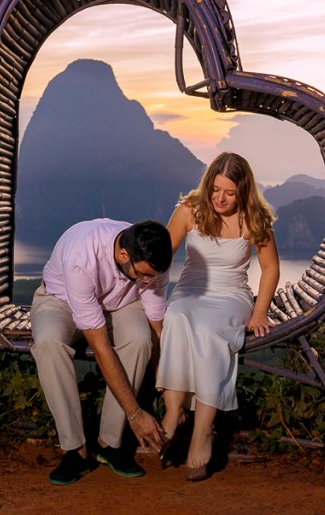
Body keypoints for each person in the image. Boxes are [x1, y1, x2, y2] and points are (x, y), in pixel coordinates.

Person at [156, 152, 279, 481]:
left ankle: (202, 432)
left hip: (231, 295)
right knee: (177, 317)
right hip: (190, 290)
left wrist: (260, 310)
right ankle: (173, 413)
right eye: (215, 189)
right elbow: (160, 256)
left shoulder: (254, 219)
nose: (220, 198)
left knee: (211, 331)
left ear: (243, 191)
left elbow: (270, 269)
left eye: (229, 192)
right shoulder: (189, 210)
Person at [29, 217, 173, 486]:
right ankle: (76, 450)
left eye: (151, 276)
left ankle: (109, 442)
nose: (147, 280)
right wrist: (136, 414)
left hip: (119, 303)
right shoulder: (82, 258)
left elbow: (156, 328)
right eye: (141, 274)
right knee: (49, 344)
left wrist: (167, 389)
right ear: (123, 254)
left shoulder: (154, 264)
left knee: (140, 340)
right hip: (61, 300)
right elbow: (101, 347)